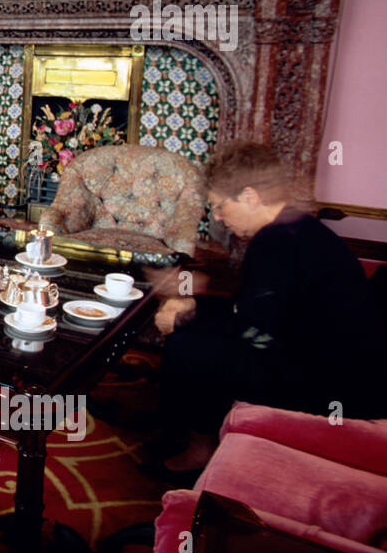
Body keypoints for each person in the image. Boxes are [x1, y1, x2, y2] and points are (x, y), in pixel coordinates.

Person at [148, 142, 379, 477]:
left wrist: (186, 315)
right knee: (195, 330)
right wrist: (198, 301)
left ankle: (200, 450)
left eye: (219, 206)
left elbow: (255, 333)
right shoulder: (295, 227)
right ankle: (178, 431)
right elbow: (259, 310)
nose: (218, 218)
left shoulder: (275, 242)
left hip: (325, 383)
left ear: (249, 196)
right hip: (323, 360)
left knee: (188, 345)